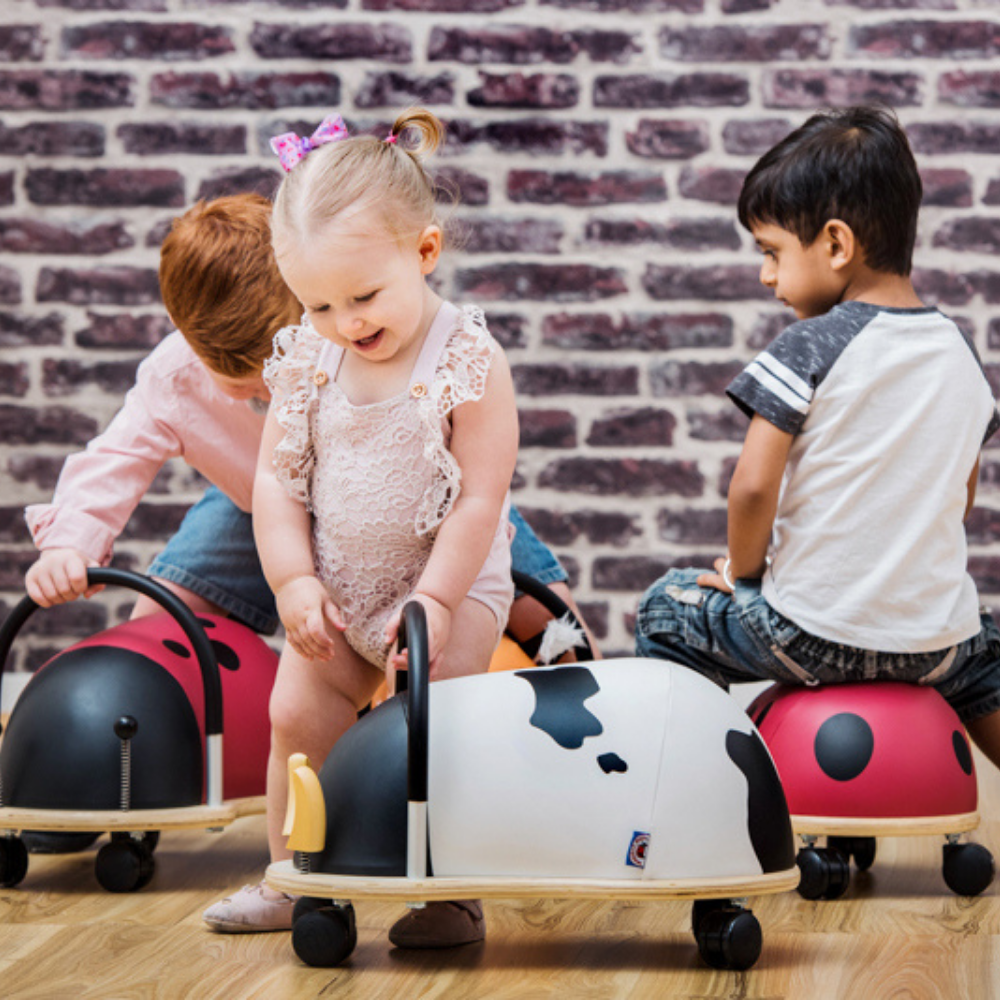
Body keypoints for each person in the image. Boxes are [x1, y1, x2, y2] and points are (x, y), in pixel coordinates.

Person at [22, 193, 592, 846]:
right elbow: (115, 457)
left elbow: (470, 489)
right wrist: (70, 543)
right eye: (231, 376)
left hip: (414, 504)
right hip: (258, 509)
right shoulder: (173, 377)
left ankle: (579, 766)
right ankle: (115, 781)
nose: (259, 388)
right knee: (159, 622)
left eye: (266, 365)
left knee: (547, 615)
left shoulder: (342, 336)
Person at [202, 109, 520, 947]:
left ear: (424, 251)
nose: (346, 321)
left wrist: (438, 601)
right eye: (319, 303)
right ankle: (292, 871)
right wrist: (293, 581)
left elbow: (480, 502)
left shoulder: (468, 363)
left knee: (438, 729)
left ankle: (450, 890)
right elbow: (276, 482)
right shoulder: (305, 360)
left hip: (448, 584)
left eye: (364, 296)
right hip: (340, 586)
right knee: (297, 723)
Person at [635, 105, 1000, 773]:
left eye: (772, 253)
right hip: (935, 645)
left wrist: (745, 581)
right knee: (988, 657)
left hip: (806, 635)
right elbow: (962, 495)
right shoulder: (959, 354)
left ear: (836, 244)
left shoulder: (808, 345)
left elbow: (751, 488)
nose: (766, 277)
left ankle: (698, 790)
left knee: (666, 609)